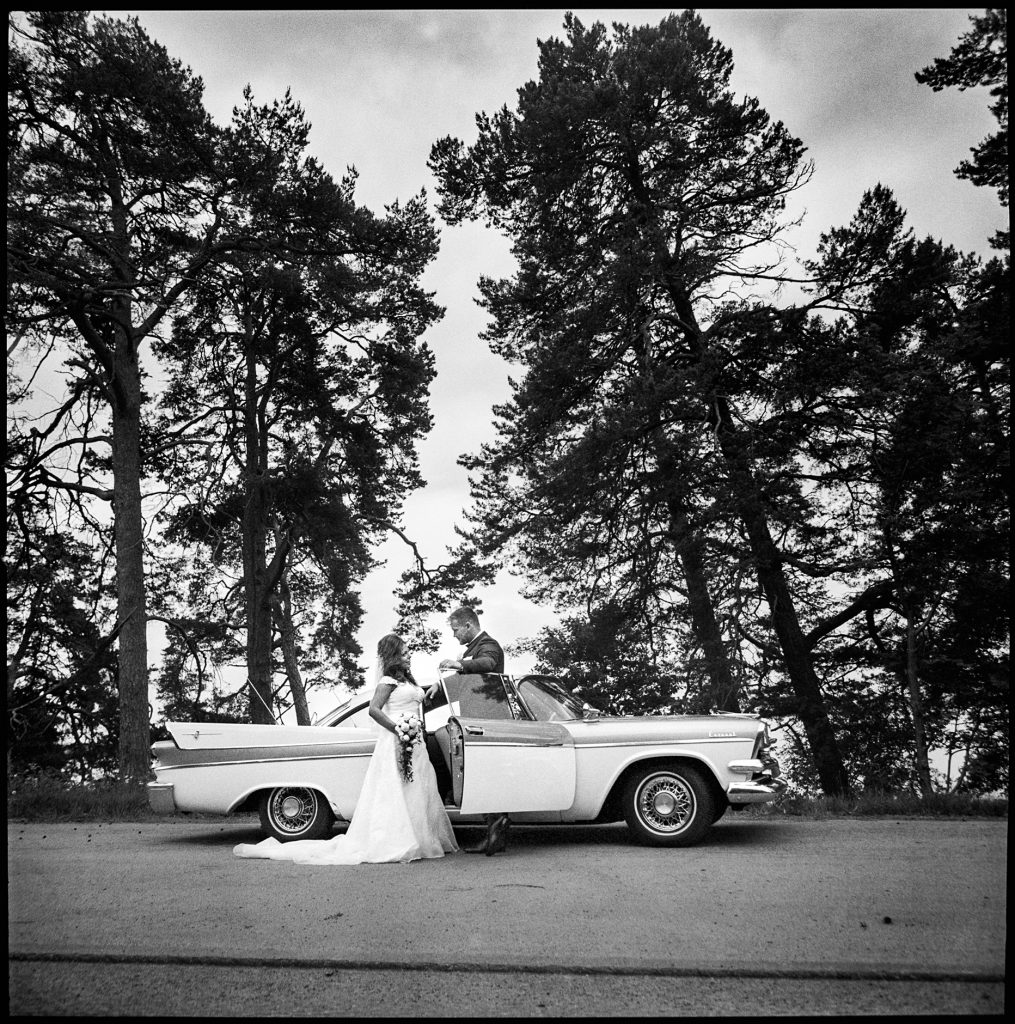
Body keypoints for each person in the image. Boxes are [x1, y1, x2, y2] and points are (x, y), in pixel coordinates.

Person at [233, 633, 458, 865]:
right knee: (398, 789)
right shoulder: (387, 682)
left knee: (419, 787)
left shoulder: (408, 681)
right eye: (404, 651)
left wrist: (433, 690)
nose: (409, 654)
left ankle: (423, 840)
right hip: (396, 741)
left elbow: (415, 700)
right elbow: (374, 710)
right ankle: (398, 840)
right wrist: (398, 729)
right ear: (393, 656)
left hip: (415, 743)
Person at [430, 606, 511, 856]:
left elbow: (488, 663)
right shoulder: (474, 649)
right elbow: (468, 684)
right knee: (485, 777)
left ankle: (495, 835)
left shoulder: (489, 644)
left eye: (455, 630)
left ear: (468, 625)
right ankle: (494, 835)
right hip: (478, 721)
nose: (454, 635)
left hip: (488, 720)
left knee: (489, 777)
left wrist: (459, 664)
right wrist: (440, 685)